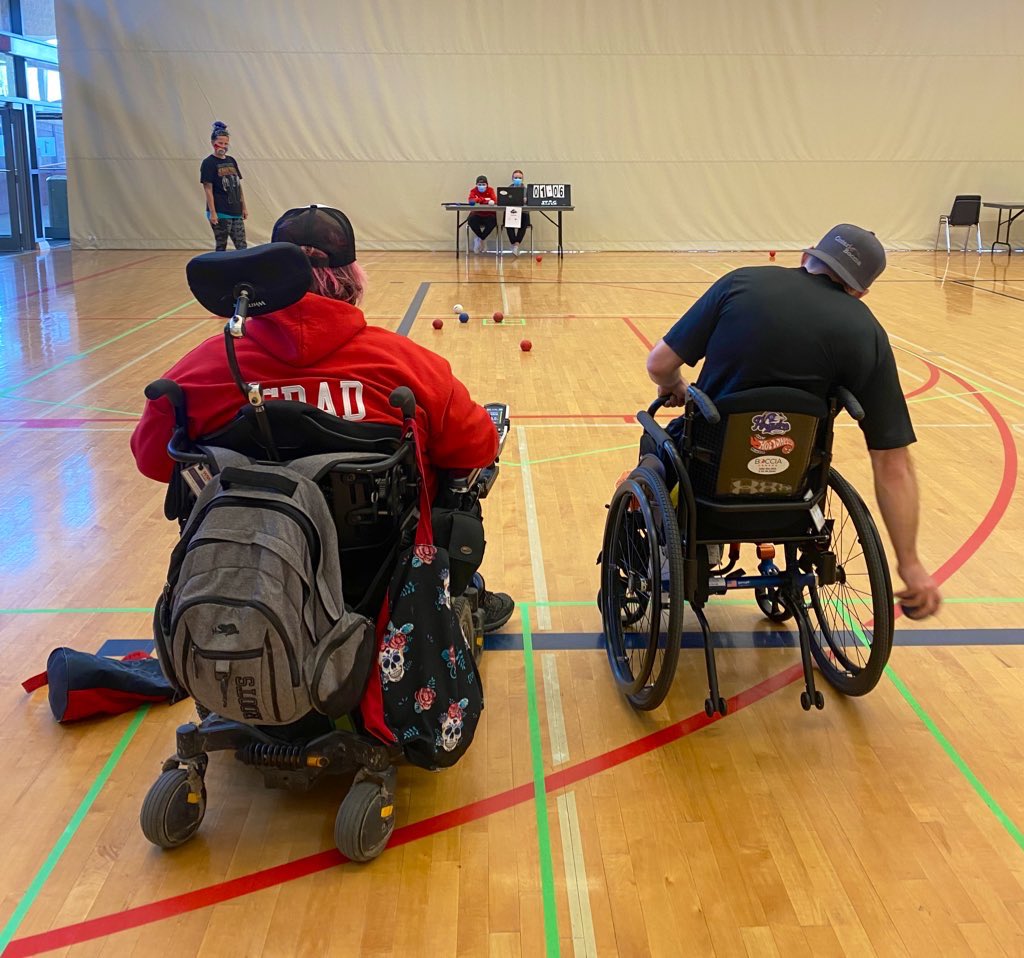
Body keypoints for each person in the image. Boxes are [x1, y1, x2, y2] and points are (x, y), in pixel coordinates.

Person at [131, 204, 515, 631]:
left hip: (247, 568)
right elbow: (476, 445)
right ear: (349, 280)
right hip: (374, 570)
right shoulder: (405, 364)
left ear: (261, 280)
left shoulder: (199, 372)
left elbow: (153, 461)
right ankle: (451, 592)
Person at [644, 223, 942, 620]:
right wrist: (910, 563)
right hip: (794, 492)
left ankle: (669, 551)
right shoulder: (867, 331)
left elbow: (659, 364)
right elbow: (894, 465)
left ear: (807, 256)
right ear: (860, 291)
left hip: (706, 485)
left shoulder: (742, 284)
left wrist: (675, 385)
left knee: (655, 443)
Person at [200, 120, 247, 251]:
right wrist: (213, 213)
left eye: (226, 143)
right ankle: (219, 270)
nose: (223, 146)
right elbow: (208, 189)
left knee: (242, 245)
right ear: (213, 143)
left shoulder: (231, 161)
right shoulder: (208, 163)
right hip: (220, 211)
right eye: (220, 143)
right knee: (221, 245)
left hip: (235, 210)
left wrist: (243, 207)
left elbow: (238, 185)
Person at [466, 174, 497, 254]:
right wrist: (484, 200)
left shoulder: (490, 190)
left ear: (487, 185)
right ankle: (482, 239)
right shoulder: (473, 191)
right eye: (479, 184)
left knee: (493, 221)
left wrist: (478, 200)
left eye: (483, 184)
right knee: (471, 220)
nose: (481, 186)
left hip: (489, 215)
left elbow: (494, 200)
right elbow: (471, 201)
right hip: (477, 214)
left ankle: (480, 239)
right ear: (476, 185)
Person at [504, 169, 531, 256]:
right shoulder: (507, 190)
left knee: (525, 220)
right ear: (512, 178)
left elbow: (531, 202)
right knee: (508, 220)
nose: (517, 179)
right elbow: (504, 201)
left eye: (519, 178)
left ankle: (517, 245)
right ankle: (513, 244)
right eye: (516, 177)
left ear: (523, 179)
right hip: (512, 213)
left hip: (523, 213)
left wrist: (527, 200)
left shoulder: (527, 190)